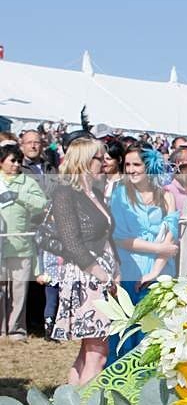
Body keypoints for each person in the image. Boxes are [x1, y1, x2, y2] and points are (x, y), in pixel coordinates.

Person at [50, 138, 119, 384]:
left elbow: (106, 236)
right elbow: (71, 241)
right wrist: (99, 271)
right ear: (85, 161)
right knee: (97, 354)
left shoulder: (94, 193)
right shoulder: (65, 192)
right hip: (86, 277)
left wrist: (114, 270)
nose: (105, 162)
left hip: (100, 276)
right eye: (100, 158)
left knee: (88, 351)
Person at [108, 143, 178, 365]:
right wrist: (159, 249)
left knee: (153, 335)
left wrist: (156, 270)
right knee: (124, 335)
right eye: (127, 164)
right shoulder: (120, 194)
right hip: (129, 267)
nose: (130, 169)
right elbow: (119, 237)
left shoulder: (166, 196)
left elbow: (170, 234)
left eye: (136, 164)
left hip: (160, 272)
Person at [0, 144, 47, 341]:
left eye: (19, 161)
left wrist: (19, 196)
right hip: (1, 246)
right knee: (1, 289)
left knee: (19, 291)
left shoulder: (28, 182)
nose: (16, 164)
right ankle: (1, 329)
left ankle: (16, 329)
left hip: (22, 246)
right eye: (12, 160)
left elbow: (42, 204)